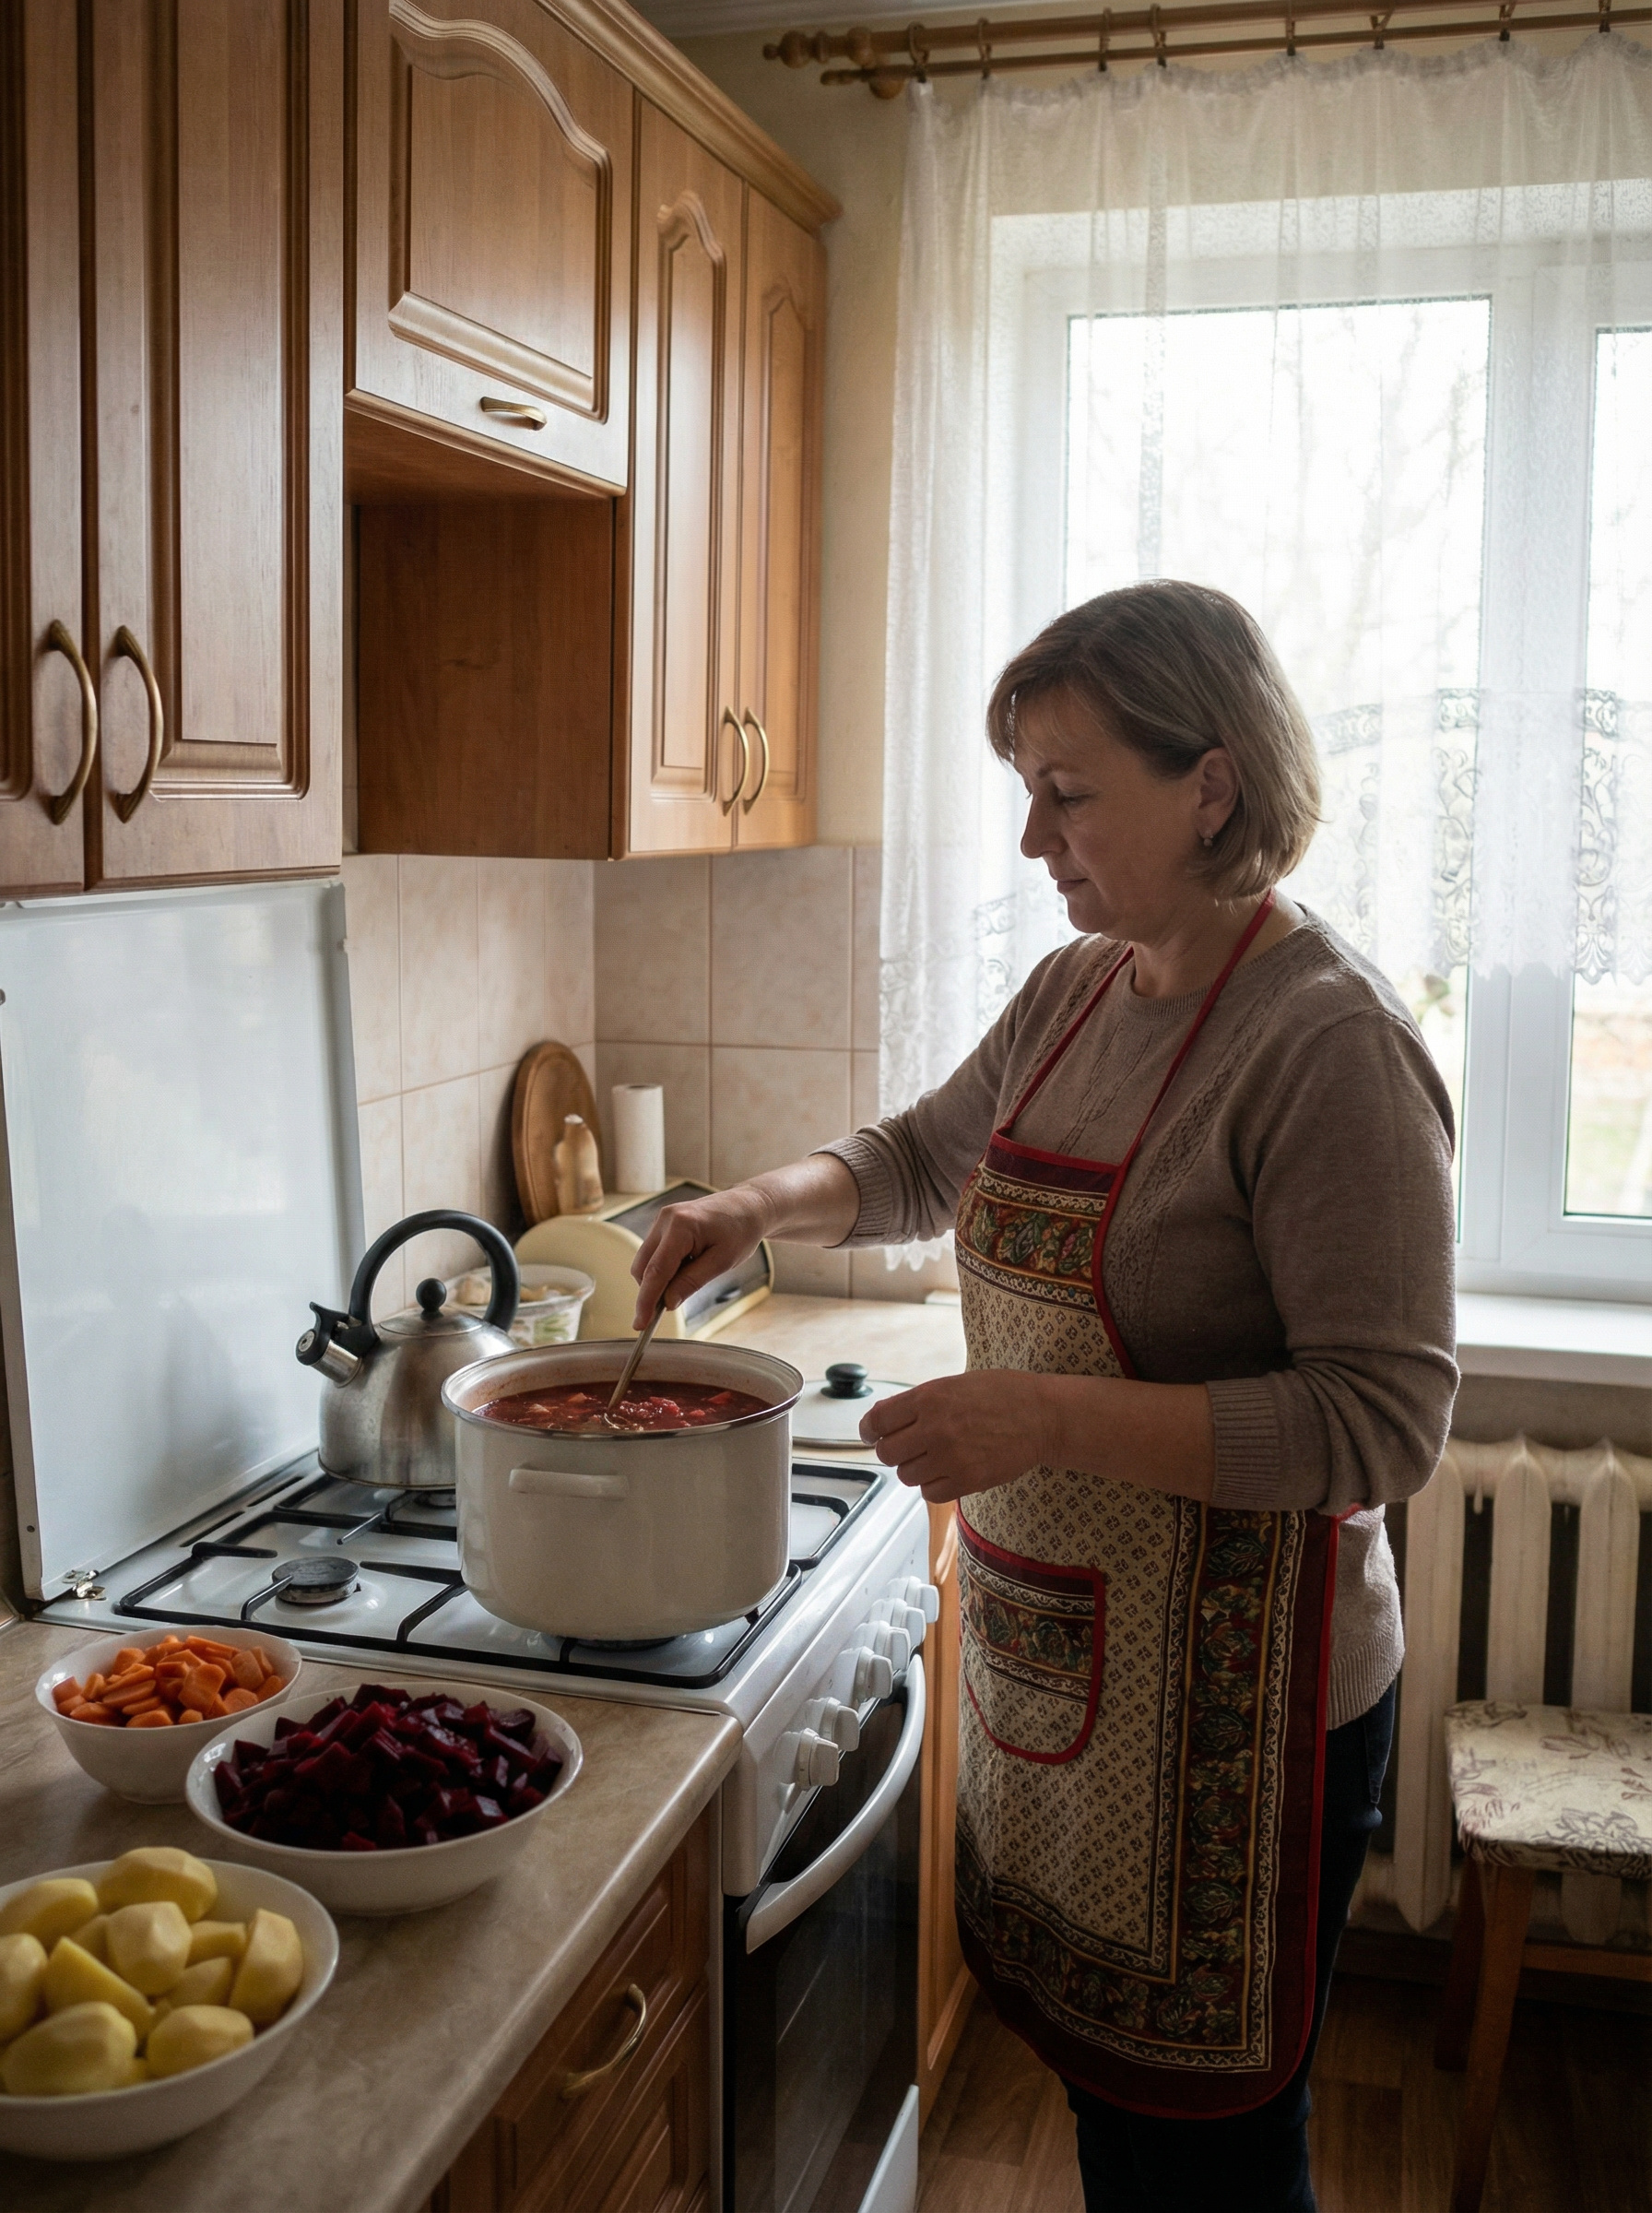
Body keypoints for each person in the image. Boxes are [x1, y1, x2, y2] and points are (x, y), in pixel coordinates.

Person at [631, 581, 1457, 2213]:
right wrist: (753, 1204)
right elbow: (922, 1157)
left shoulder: (1328, 1047)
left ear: (1209, 785)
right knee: (1118, 2124)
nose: (1032, 841)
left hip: (1249, 1709)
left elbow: (1380, 1421)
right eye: (1027, 790)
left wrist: (1044, 1419)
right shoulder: (1089, 985)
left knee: (1211, 2159)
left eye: (1067, 794)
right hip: (1076, 1672)